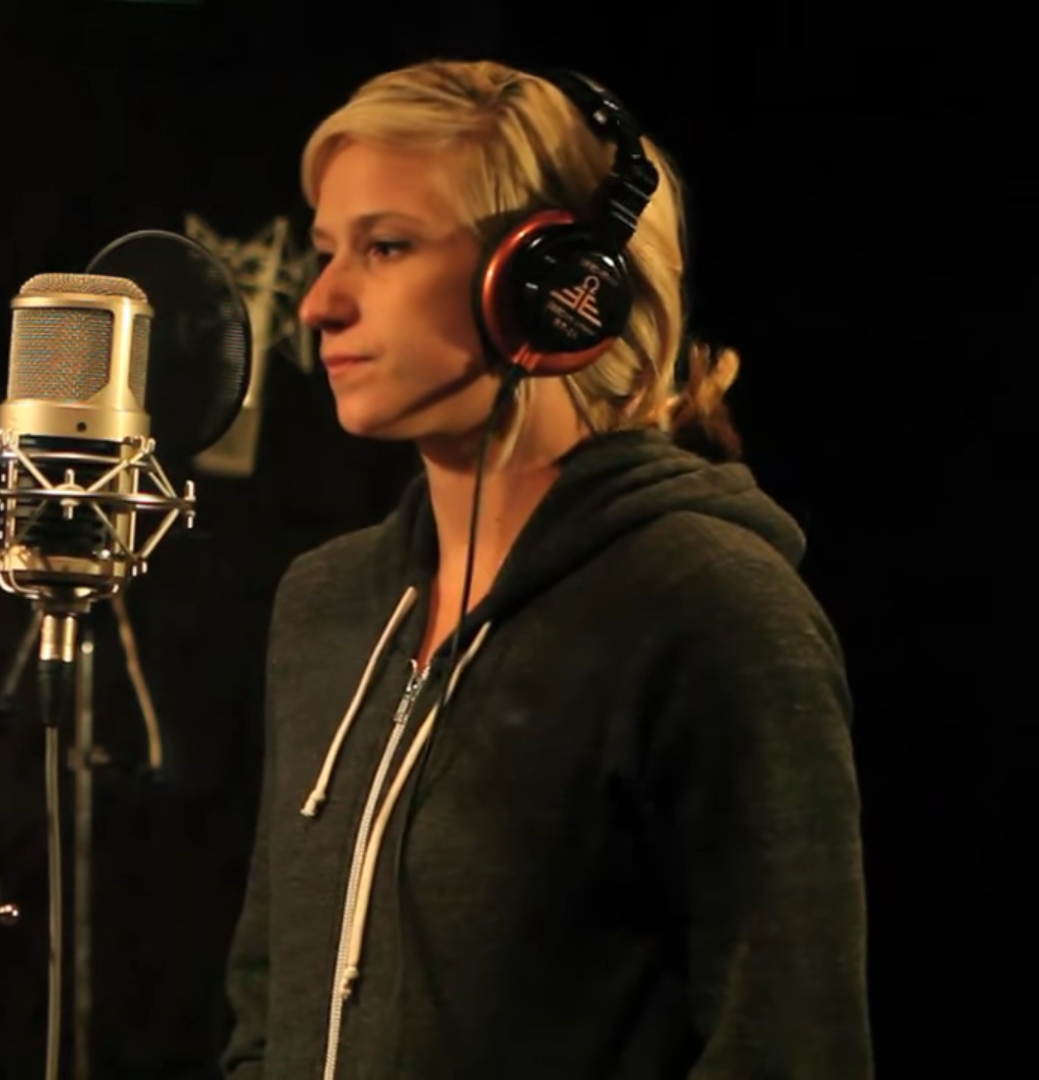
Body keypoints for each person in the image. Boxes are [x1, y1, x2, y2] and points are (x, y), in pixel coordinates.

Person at [218, 59, 871, 1078]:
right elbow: (268, 1009)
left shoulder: (711, 606)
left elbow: (789, 1045)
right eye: (328, 250)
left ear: (552, 284)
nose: (319, 305)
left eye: (386, 247)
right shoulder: (327, 602)